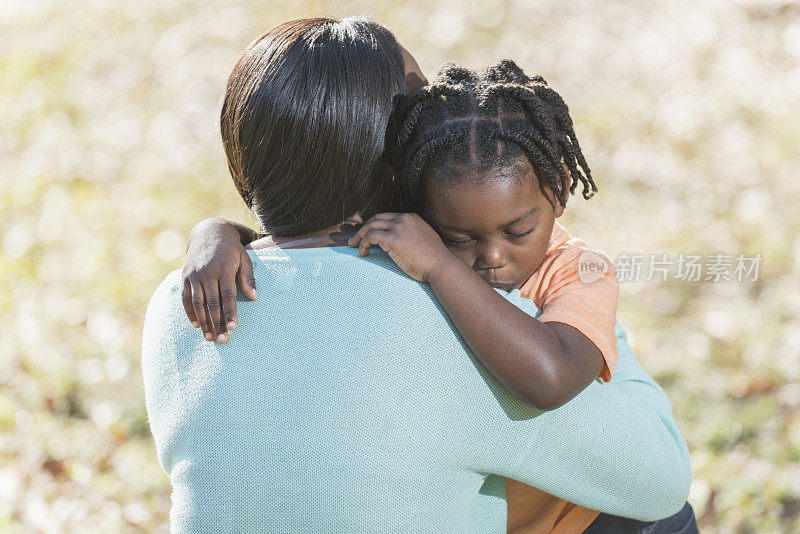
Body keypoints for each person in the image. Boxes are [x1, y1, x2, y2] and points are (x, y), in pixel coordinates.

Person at [143, 16, 693, 533]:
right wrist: (591, 303)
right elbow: (659, 480)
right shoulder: (446, 307)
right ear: (395, 164)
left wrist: (218, 231)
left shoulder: (183, 300)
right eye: (420, 120)